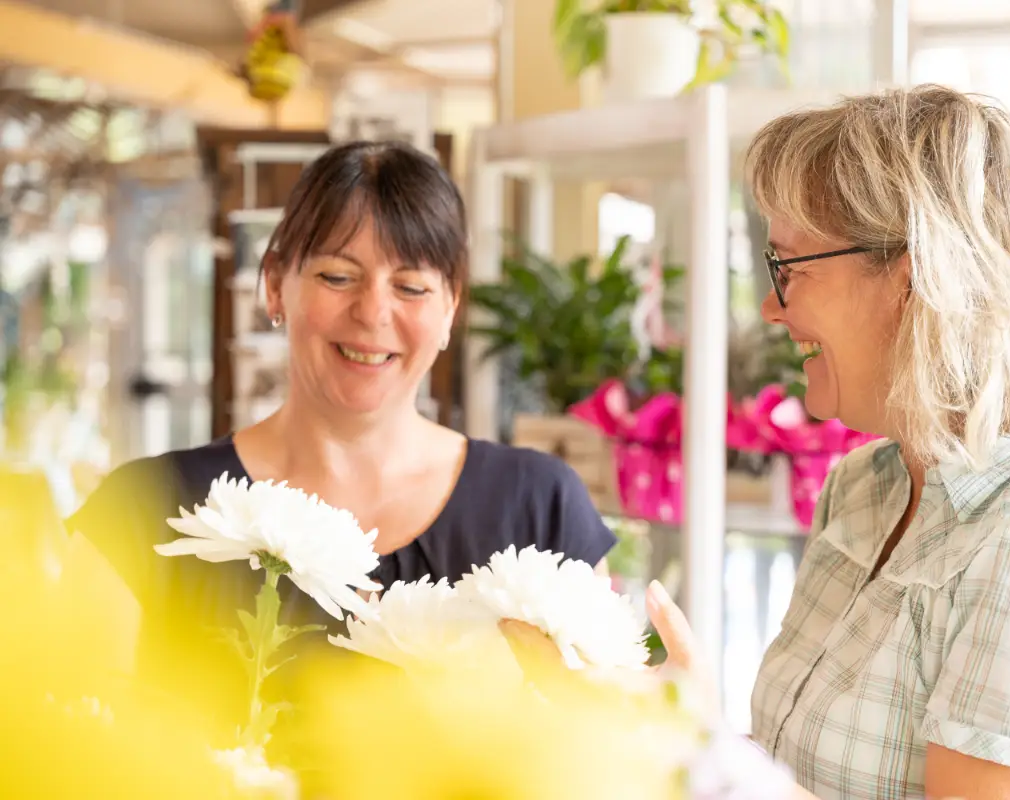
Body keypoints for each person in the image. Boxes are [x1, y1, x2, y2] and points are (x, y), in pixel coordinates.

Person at [646, 84, 1010, 800]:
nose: (772, 307)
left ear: (916, 279)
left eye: (790, 268)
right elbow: (805, 773)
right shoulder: (866, 486)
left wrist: (710, 758)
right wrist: (682, 733)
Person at [68, 141, 616, 722]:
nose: (372, 312)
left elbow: (611, 734)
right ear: (274, 285)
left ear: (450, 309)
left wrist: (657, 707)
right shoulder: (140, 511)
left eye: (411, 287)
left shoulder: (541, 508)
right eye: (337, 276)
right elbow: (58, 741)